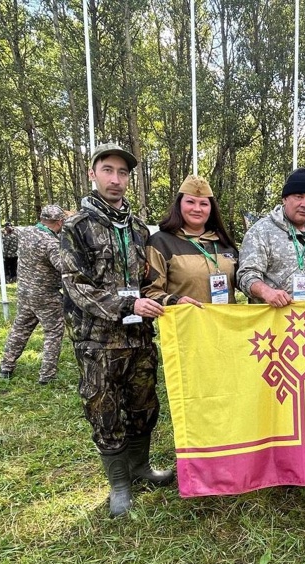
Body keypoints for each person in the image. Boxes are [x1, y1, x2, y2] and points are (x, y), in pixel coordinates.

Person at [60, 143, 173, 518]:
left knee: (144, 406)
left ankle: (140, 467)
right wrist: (128, 305)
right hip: (98, 341)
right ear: (92, 174)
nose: (116, 179)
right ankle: (120, 484)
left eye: (123, 173)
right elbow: (76, 286)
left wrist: (170, 302)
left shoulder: (140, 229)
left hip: (139, 337)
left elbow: (149, 283)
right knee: (103, 410)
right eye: (108, 170)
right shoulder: (77, 226)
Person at [237, 168, 305, 305]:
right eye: (298, 196)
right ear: (285, 198)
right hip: (277, 321)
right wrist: (266, 292)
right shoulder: (262, 231)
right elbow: (245, 276)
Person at [144, 175, 239, 306]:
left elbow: (245, 281)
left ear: (211, 208)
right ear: (179, 204)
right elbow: (149, 292)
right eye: (190, 202)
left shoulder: (224, 243)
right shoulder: (161, 243)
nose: (197, 209)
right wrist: (175, 301)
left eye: (204, 204)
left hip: (225, 324)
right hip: (185, 324)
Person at [0, 206, 67, 384]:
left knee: (20, 329)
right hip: (46, 295)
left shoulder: (26, 232)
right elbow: (63, 267)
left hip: (24, 291)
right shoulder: (50, 242)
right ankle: (47, 375)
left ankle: (6, 366)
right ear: (59, 222)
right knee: (53, 332)